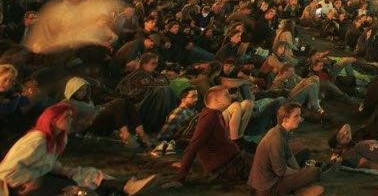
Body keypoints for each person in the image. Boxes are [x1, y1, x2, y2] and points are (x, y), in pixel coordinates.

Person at [0, 102, 155, 196]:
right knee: (75, 190)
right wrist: (31, 179)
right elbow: (7, 170)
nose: (71, 120)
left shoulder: (59, 139)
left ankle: (126, 186)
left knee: (85, 173)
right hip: (18, 186)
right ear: (53, 119)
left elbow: (47, 163)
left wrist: (66, 170)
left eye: (71, 117)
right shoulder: (37, 139)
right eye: (67, 116)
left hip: (40, 176)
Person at [175, 87, 252, 185]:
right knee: (267, 166)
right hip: (228, 167)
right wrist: (180, 178)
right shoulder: (209, 117)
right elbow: (193, 146)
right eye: (226, 95)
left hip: (235, 161)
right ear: (216, 100)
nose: (230, 96)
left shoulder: (216, 114)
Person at [249, 102, 324, 196]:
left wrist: (299, 172)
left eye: (299, 115)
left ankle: (299, 188)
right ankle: (300, 190)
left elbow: (289, 156)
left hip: (272, 177)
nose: (300, 119)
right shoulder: (276, 139)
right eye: (296, 116)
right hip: (267, 188)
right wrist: (300, 173)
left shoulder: (281, 131)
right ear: (285, 119)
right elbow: (281, 171)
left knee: (305, 152)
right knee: (315, 171)